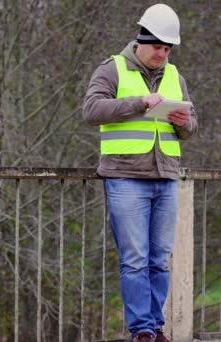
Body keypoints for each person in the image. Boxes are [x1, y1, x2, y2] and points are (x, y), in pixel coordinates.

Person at [82, 3, 197, 342]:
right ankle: (142, 330)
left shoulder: (176, 76)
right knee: (135, 260)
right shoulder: (112, 69)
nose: (162, 53)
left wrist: (183, 123)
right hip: (126, 177)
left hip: (166, 177)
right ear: (140, 42)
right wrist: (139, 103)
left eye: (167, 48)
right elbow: (91, 110)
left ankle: (156, 326)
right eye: (157, 47)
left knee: (160, 260)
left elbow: (191, 128)